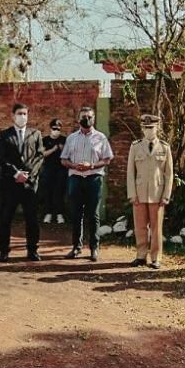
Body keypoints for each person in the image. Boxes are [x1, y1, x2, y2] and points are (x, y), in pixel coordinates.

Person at [61, 106, 114, 262]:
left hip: (94, 179)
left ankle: (94, 248)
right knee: (76, 215)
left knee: (93, 214)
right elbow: (64, 159)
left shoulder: (101, 138)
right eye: (84, 116)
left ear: (94, 119)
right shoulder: (71, 138)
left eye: (90, 117)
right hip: (75, 179)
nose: (87, 119)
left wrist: (91, 166)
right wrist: (74, 165)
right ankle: (76, 247)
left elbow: (107, 159)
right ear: (79, 118)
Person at [0, 103, 45, 261]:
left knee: (32, 219)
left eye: (25, 113)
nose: (22, 116)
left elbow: (39, 157)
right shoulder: (5, 135)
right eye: (19, 113)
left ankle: (33, 250)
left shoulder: (35, 134)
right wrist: (15, 173)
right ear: (13, 115)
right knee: (6, 218)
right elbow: (2, 158)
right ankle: (4, 250)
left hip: (29, 185)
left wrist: (29, 176)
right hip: (10, 184)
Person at [127, 114, 174, 269]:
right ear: (142, 128)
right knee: (140, 226)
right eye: (146, 128)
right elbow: (130, 172)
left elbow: (169, 173)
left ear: (157, 128)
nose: (148, 131)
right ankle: (141, 256)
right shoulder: (135, 146)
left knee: (156, 227)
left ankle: (156, 257)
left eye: (151, 128)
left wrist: (166, 195)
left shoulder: (164, 147)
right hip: (139, 192)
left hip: (157, 192)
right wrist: (132, 194)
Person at [39, 118, 68, 224]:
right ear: (50, 128)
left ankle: (59, 214)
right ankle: (48, 213)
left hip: (61, 169)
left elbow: (68, 154)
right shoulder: (45, 140)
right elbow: (43, 154)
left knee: (59, 191)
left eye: (58, 129)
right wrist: (54, 149)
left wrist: (62, 149)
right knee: (48, 191)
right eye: (54, 128)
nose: (56, 130)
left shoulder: (64, 139)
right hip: (48, 168)